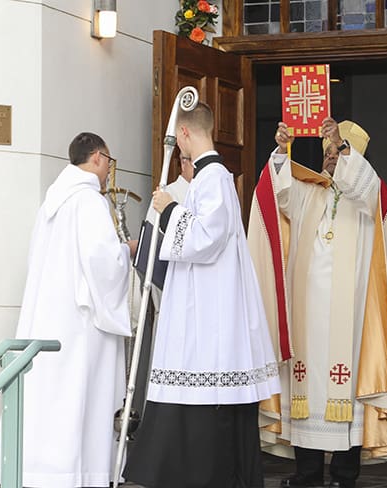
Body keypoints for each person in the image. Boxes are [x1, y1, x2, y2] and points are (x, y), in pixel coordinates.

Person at [247, 118, 387, 488]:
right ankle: (306, 474)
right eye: (327, 153)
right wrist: (281, 151)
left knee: (345, 395)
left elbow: (364, 184)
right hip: (307, 313)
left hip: (350, 318)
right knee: (305, 396)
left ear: (355, 156)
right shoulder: (310, 191)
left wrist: (342, 146)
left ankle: (343, 475)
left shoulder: (368, 194)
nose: (331, 160)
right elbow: (279, 195)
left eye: (338, 153)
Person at [122, 102, 280, 488]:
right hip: (202, 301)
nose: (178, 148)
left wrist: (168, 208)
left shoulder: (213, 179)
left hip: (210, 312)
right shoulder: (209, 178)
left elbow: (207, 237)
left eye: (179, 140)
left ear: (188, 134)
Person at [0, 132, 137, 487]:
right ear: (99, 158)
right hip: (81, 323)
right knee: (77, 395)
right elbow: (102, 261)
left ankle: (39, 470)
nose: (107, 174)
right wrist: (127, 250)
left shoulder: (52, 201)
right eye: (109, 164)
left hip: (48, 317)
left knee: (48, 397)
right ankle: (79, 474)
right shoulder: (88, 201)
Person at [129, 152, 194, 417]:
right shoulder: (168, 194)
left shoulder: (210, 193)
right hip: (174, 301)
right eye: (192, 161)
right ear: (182, 162)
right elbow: (150, 255)